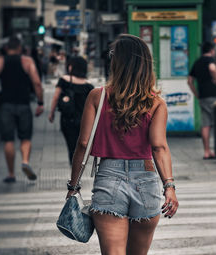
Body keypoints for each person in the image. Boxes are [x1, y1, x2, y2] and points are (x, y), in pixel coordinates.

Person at [66, 34, 178, 255]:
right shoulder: (156, 103)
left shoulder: (98, 97)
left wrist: (73, 186)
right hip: (146, 181)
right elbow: (159, 147)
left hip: (109, 179)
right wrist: (169, 186)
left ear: (116, 62)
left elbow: (83, 143)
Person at [0, 36, 44, 183]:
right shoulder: (27, 61)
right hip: (24, 104)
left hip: (5, 105)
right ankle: (25, 161)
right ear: (19, 48)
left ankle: (11, 174)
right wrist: (40, 102)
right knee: (25, 137)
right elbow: (37, 83)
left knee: (8, 140)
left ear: (6, 48)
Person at [49, 56, 94, 165]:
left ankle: (73, 165)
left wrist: (52, 113)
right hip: (83, 120)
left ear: (71, 67)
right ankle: (80, 164)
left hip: (67, 119)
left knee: (71, 144)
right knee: (81, 144)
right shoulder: (88, 86)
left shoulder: (64, 80)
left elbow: (55, 97)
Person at [187, 42, 216, 160]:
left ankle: (207, 152)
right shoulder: (211, 61)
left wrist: (196, 94)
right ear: (212, 50)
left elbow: (189, 80)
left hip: (203, 96)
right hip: (214, 95)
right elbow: (212, 69)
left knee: (206, 124)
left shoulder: (197, 62)